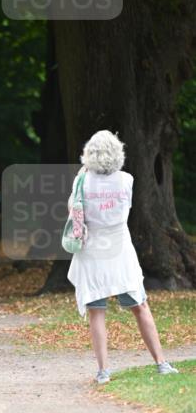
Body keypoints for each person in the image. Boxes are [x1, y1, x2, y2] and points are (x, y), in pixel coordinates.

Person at [67, 130, 178, 384]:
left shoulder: (81, 179)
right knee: (140, 306)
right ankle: (161, 363)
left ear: (90, 152)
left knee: (97, 312)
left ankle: (103, 371)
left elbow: (73, 210)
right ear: (118, 152)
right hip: (119, 250)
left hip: (92, 250)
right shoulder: (126, 180)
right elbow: (125, 211)